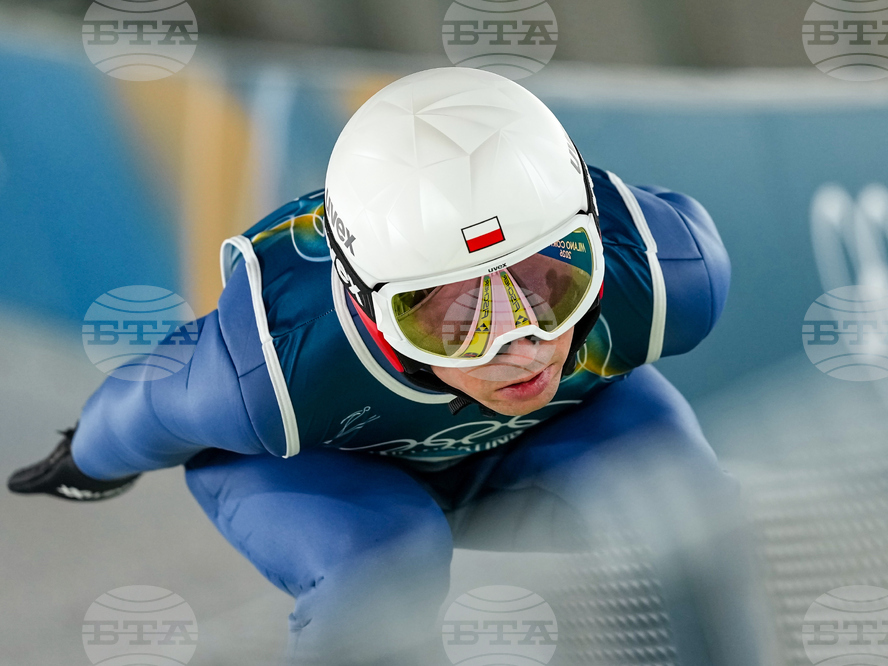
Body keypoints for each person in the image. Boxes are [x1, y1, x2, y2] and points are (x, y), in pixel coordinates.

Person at [8, 67, 761, 665]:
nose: (519, 346)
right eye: (453, 318)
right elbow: (146, 409)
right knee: (382, 564)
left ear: (590, 240)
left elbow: (142, 405)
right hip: (330, 470)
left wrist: (88, 461)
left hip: (534, 435)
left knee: (684, 504)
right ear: (368, 308)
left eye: (544, 283)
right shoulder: (270, 368)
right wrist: (86, 458)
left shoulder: (670, 271)